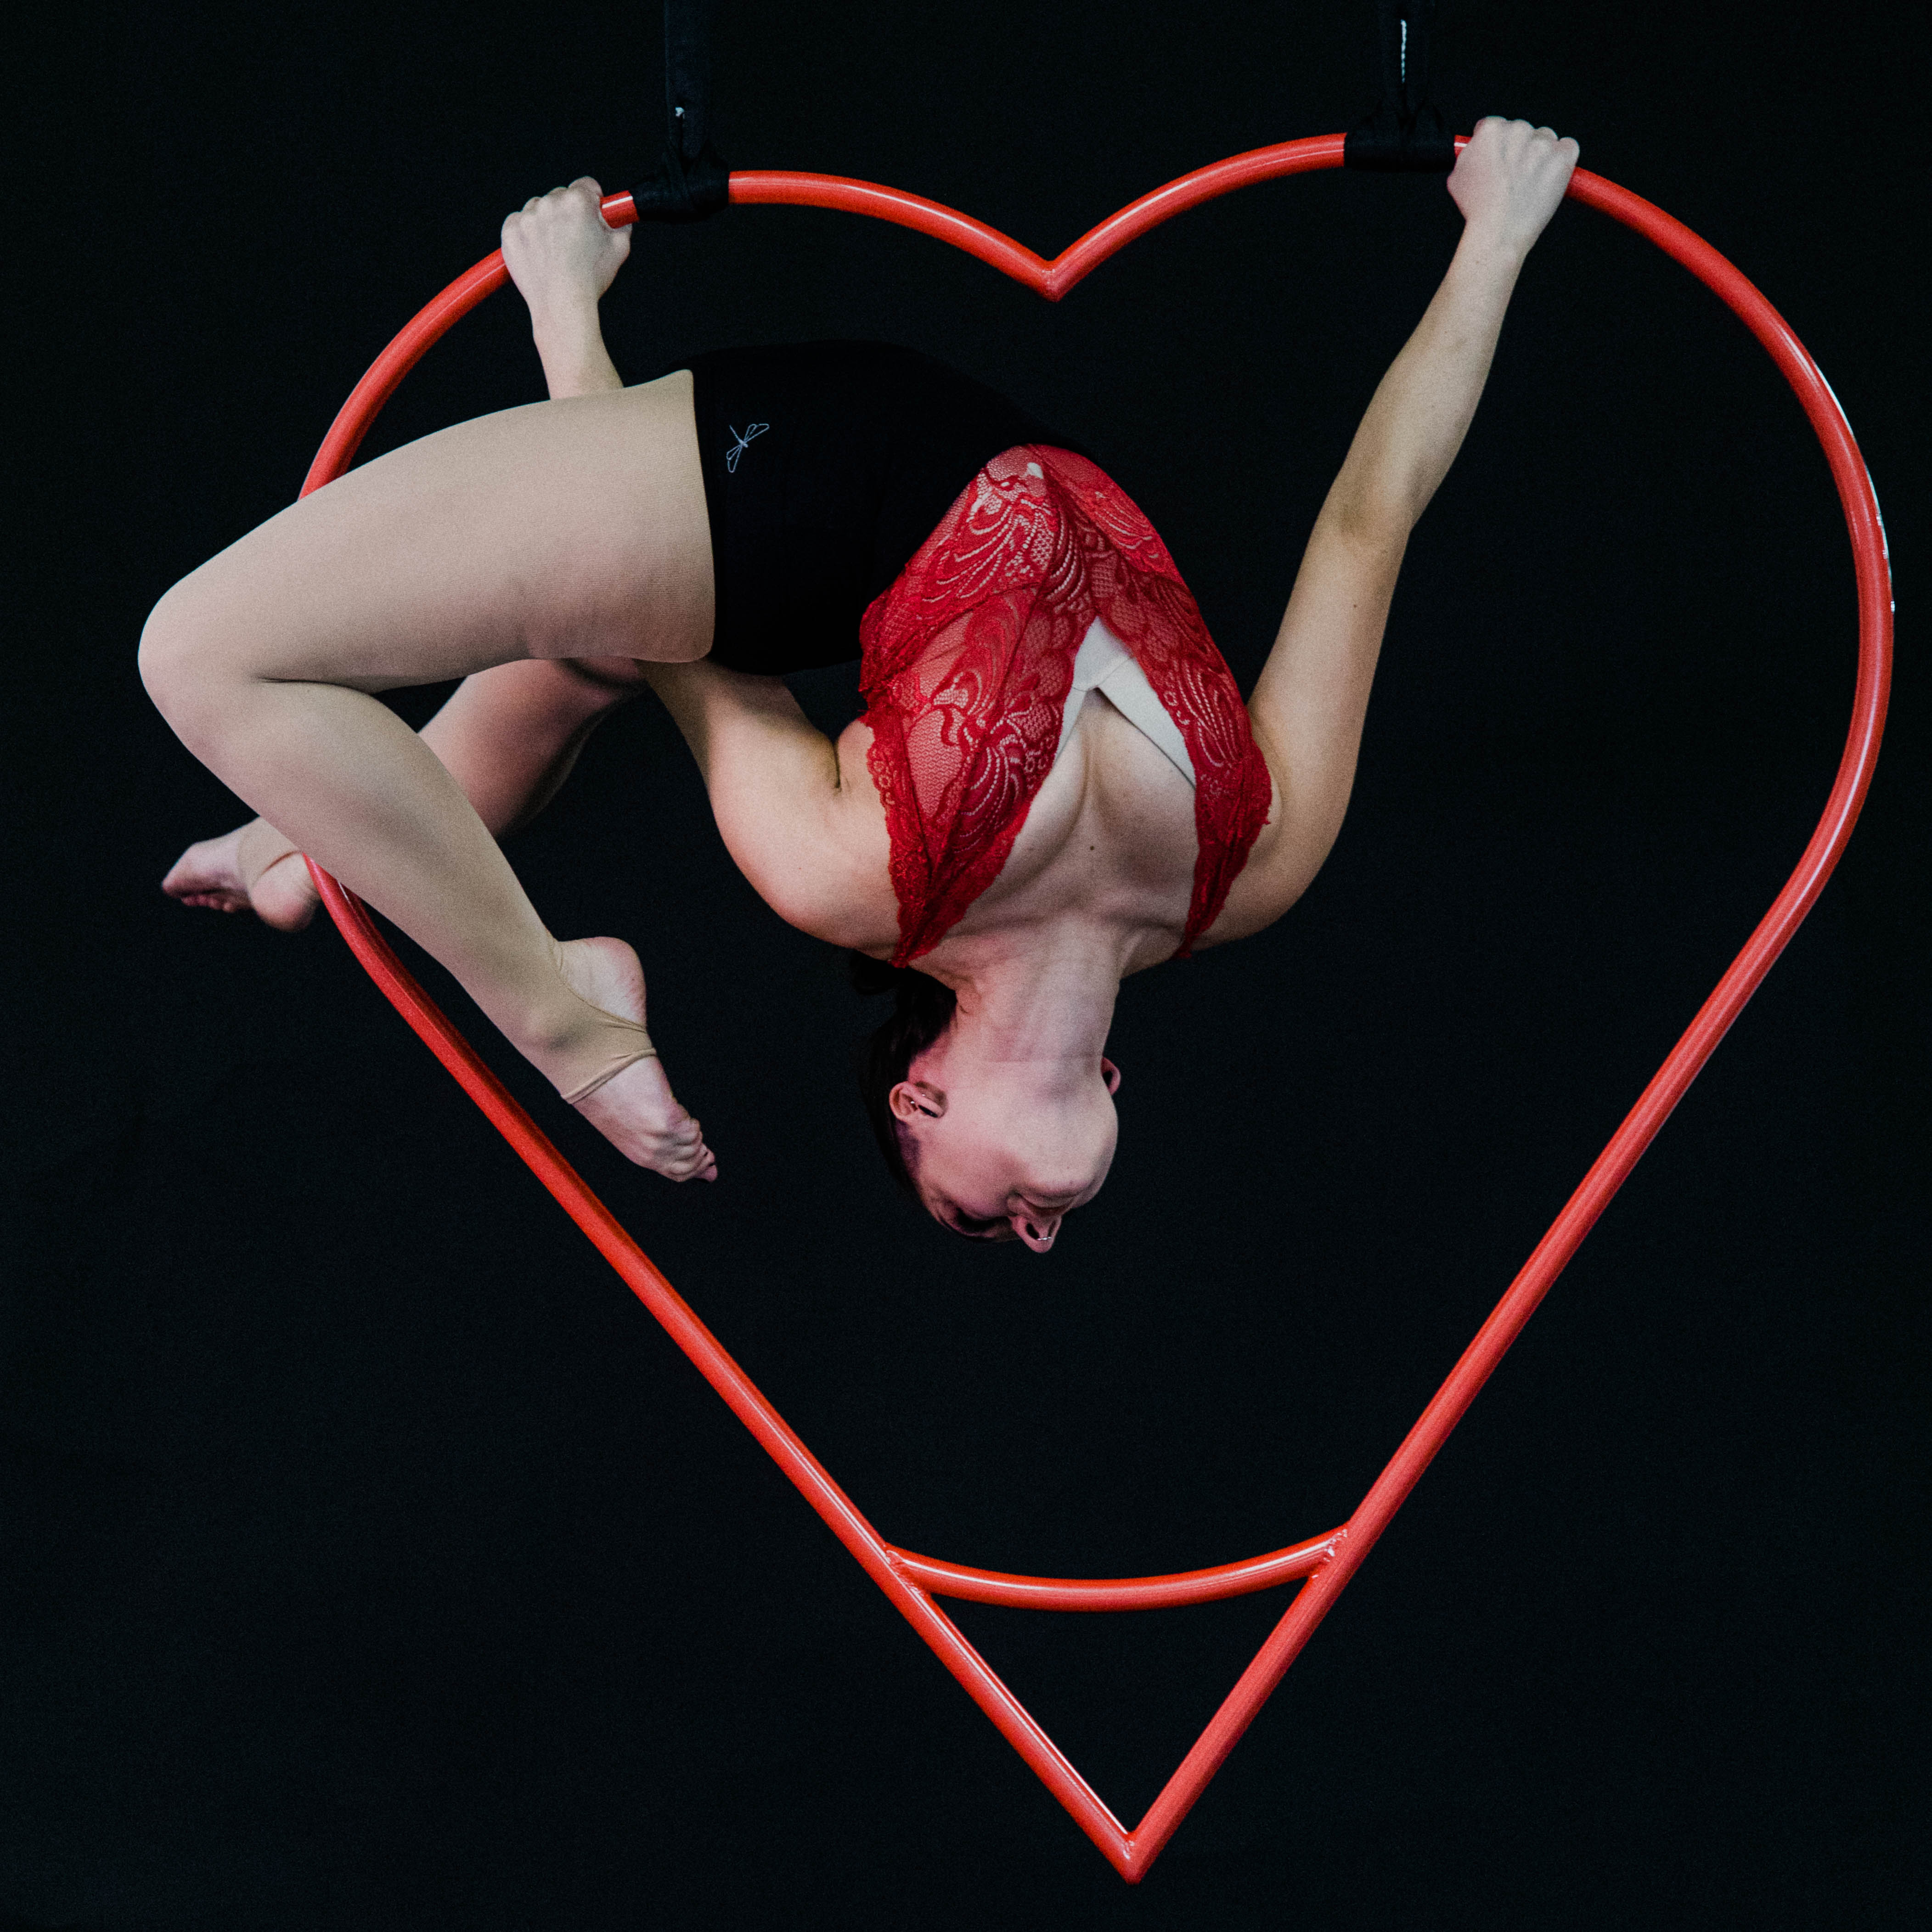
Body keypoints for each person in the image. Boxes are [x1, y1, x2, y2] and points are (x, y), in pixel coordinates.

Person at [143, 117, 1579, 1251]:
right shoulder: (1257, 871)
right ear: (1115, 1093)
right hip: (935, 464)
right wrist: (1499, 238)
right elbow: (1368, 520)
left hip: (805, 478)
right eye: (1026, 1231)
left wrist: (566, 316)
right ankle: (301, 851)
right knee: (571, 662)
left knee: (205, 651)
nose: (1032, 1241)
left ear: (921, 1098)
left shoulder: (853, 884)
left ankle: (562, 1012)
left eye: (967, 1214)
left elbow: (671, 637)